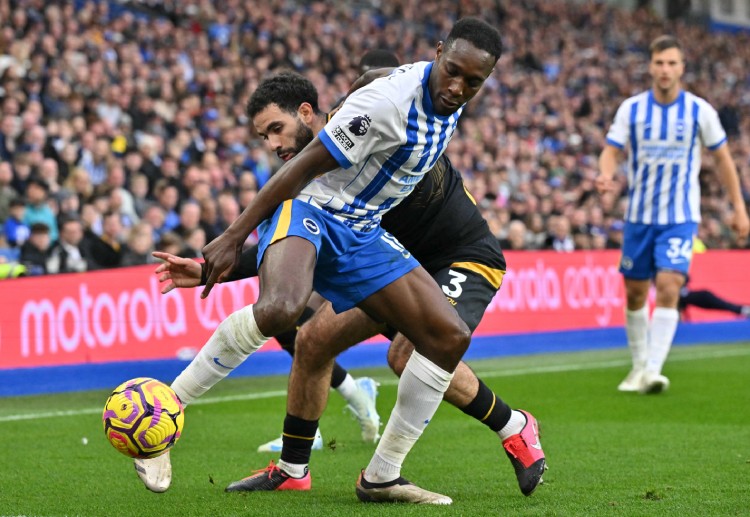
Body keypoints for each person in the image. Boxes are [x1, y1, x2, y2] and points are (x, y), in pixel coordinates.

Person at [142, 18, 535, 505]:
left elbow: (373, 84)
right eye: (452, 71)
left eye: (472, 81)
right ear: (438, 54)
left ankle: (383, 476)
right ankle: (166, 410)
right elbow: (302, 167)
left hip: (372, 231)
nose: (458, 87)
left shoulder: (434, 96)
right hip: (314, 209)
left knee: (446, 338)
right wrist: (231, 236)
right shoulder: (387, 106)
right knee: (287, 313)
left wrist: (359, 89)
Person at [597, 35, 750, 395]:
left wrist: (739, 208)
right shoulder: (632, 109)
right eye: (659, 63)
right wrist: (606, 174)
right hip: (639, 217)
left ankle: (652, 369)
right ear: (650, 66)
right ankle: (638, 367)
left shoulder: (700, 111)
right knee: (635, 294)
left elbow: (723, 160)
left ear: (682, 68)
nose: (665, 70)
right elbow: (611, 151)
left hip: (681, 217)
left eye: (672, 63)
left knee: (669, 286)